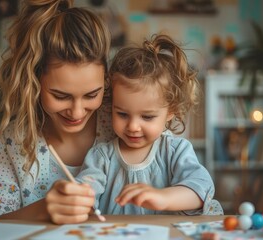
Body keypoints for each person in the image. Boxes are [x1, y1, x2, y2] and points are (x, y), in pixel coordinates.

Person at [0, 0, 115, 224]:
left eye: (91, 95)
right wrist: (43, 210)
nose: (77, 112)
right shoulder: (5, 148)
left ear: (106, 81)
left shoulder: (125, 124)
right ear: (33, 84)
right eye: (61, 96)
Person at [75, 34, 223, 215]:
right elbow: (84, 195)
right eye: (122, 114)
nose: (133, 126)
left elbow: (201, 189)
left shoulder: (175, 151)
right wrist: (79, 198)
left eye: (147, 117)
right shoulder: (101, 157)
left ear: (171, 112)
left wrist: (163, 198)